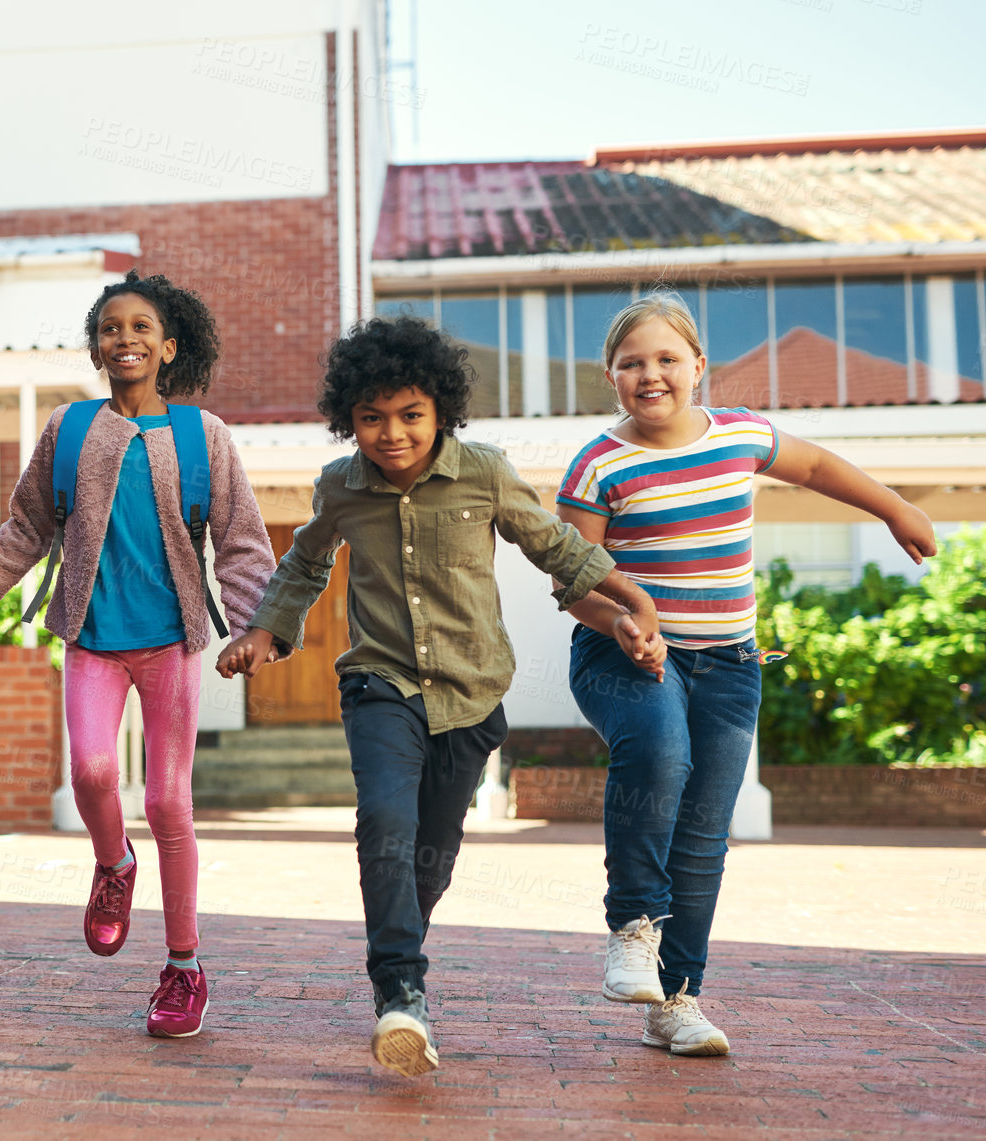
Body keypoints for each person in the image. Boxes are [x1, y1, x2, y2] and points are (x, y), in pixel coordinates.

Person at [215, 316, 660, 1076]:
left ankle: (401, 945)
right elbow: (302, 565)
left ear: (441, 411)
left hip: (473, 693)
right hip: (379, 682)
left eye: (410, 414)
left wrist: (628, 602)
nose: (392, 433)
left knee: (430, 855)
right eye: (371, 417)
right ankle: (400, 992)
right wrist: (267, 633)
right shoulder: (340, 486)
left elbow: (554, 543)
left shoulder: (484, 471)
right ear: (348, 419)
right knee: (385, 820)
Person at [556, 293, 936, 1057]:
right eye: (632, 363)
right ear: (610, 375)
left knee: (703, 836)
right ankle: (632, 928)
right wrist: (625, 622)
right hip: (624, 655)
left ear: (700, 366)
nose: (651, 374)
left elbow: (821, 465)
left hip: (729, 667)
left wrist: (895, 509)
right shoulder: (600, 464)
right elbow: (572, 582)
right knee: (660, 752)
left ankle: (676, 1000)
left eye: (667, 359)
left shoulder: (740, 436)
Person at [0, 270, 275, 1039]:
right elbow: (24, 529)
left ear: (168, 346)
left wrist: (257, 626)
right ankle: (114, 863)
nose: (126, 338)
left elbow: (243, 540)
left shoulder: (203, 435)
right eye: (111, 327)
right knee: (90, 771)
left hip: (173, 641)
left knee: (169, 801)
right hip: (92, 635)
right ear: (96, 346)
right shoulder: (70, 430)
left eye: (142, 327)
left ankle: (184, 967)